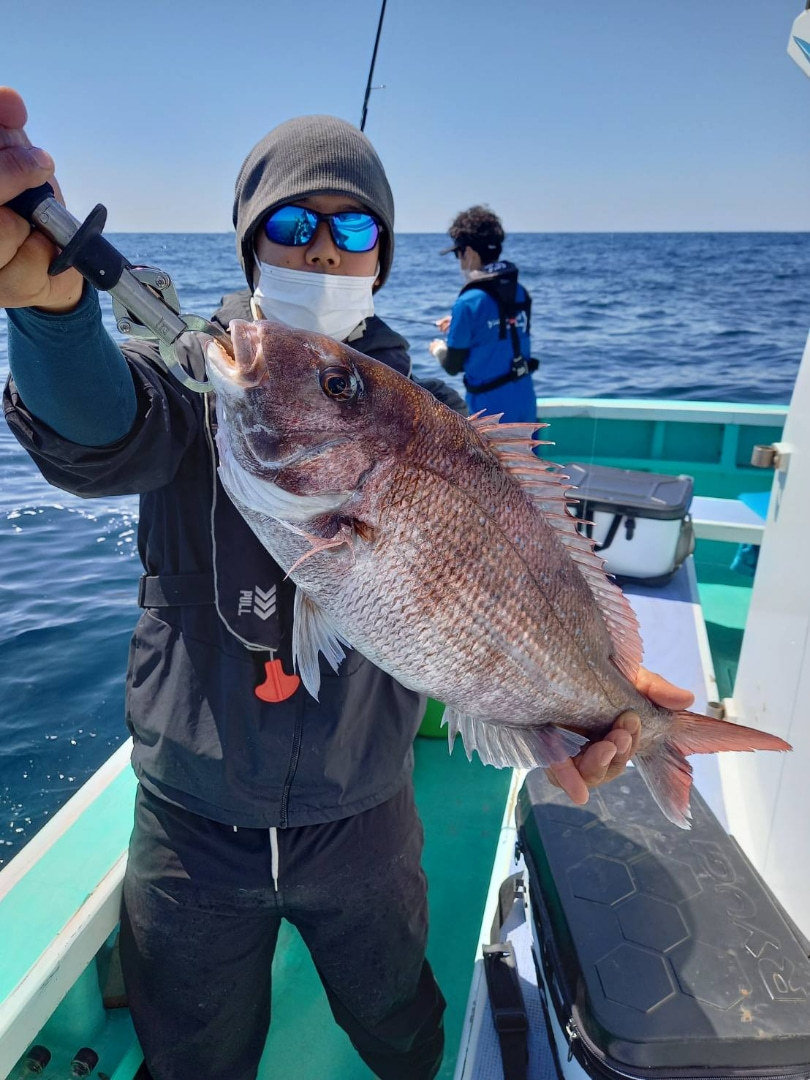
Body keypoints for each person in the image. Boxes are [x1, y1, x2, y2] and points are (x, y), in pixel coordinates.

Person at [0, 87, 693, 1080]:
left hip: (366, 810)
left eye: (353, 225)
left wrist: (590, 710)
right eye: (290, 223)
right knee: (192, 1049)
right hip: (193, 816)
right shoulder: (203, 375)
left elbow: (500, 598)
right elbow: (98, 429)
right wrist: (51, 311)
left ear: (381, 255)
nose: (322, 247)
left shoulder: (435, 418)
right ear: (250, 246)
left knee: (399, 1023)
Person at [429, 204, 538, 422]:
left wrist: (439, 350)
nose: (460, 262)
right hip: (525, 403)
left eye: (458, 255)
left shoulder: (467, 303)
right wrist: (459, 324)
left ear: (468, 252)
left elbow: (453, 366)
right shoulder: (519, 292)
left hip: (490, 414)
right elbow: (505, 328)